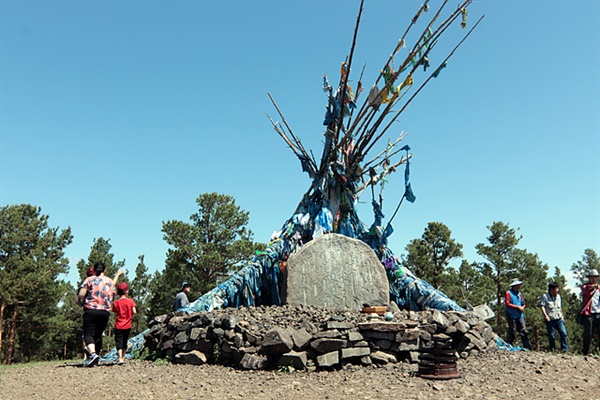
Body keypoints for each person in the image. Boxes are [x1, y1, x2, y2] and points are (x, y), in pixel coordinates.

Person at [77, 262, 122, 367]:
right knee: (98, 335)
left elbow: (81, 294)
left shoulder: (89, 280)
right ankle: (96, 358)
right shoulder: (110, 281)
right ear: (104, 270)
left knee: (88, 334)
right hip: (104, 312)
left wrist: (83, 300)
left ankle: (92, 354)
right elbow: (113, 295)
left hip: (91, 310)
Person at [112, 282, 137, 365]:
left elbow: (115, 312)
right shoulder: (130, 301)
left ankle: (120, 358)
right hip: (128, 324)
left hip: (119, 324)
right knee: (125, 341)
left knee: (118, 341)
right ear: (126, 291)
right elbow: (134, 311)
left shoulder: (116, 302)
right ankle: (123, 357)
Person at [540, 282, 568, 352]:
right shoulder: (545, 296)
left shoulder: (558, 297)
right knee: (552, 335)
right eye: (556, 289)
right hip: (550, 319)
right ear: (551, 289)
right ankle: (552, 349)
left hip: (559, 318)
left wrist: (562, 316)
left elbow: (560, 307)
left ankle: (564, 349)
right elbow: (542, 306)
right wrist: (545, 316)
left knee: (563, 333)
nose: (557, 290)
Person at [505, 278, 532, 350]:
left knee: (523, 330)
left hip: (520, 315)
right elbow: (507, 303)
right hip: (511, 315)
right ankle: (510, 345)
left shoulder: (519, 294)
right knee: (512, 331)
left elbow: (523, 302)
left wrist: (523, 307)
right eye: (518, 285)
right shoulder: (508, 293)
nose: (519, 286)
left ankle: (527, 347)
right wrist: (517, 307)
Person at [580, 269, 600, 355]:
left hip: (598, 313)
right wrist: (595, 286)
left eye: (595, 277)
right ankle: (585, 352)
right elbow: (586, 289)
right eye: (592, 277)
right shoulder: (585, 286)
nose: (593, 279)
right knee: (588, 334)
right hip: (589, 314)